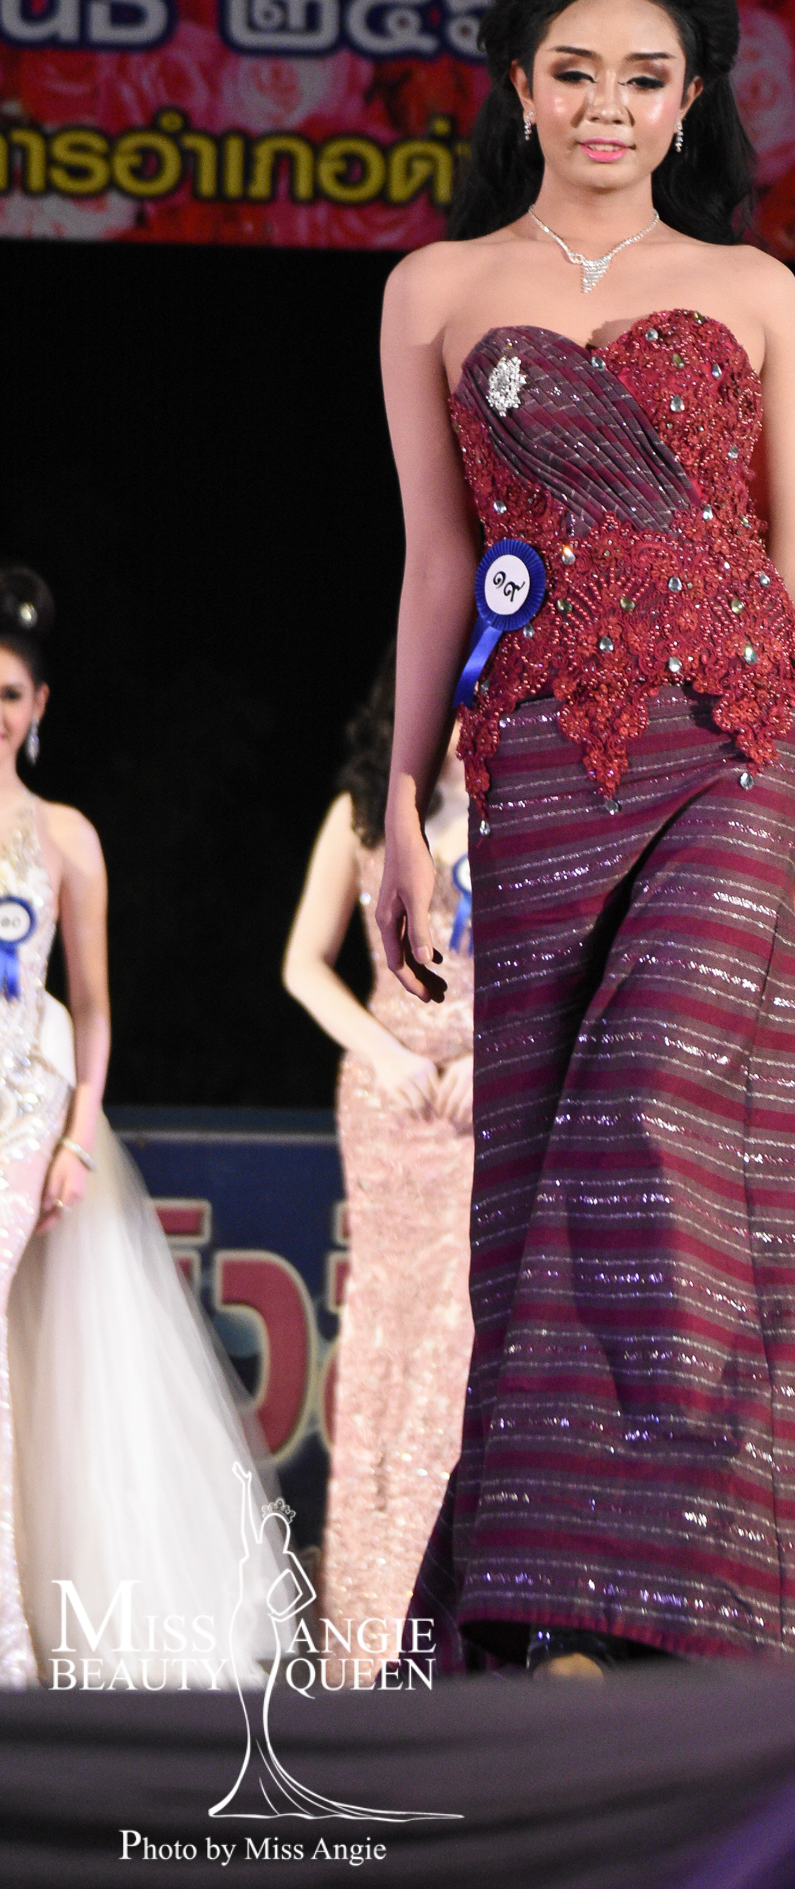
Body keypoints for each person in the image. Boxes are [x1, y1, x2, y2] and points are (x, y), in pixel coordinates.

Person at [376, 0, 795, 1674]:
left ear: (689, 104)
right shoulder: (434, 292)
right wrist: (399, 802)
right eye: (576, 72)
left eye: (644, 77)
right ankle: (562, 1596)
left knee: (655, 1119)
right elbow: (434, 569)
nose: (607, 105)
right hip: (535, 753)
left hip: (736, 739)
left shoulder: (755, 291)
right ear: (521, 86)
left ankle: (649, 1584)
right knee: (545, 1146)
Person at [0, 566, 284, 1689]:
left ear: (40, 707)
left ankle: (11, 1642)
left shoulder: (67, 839)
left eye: (12, 694)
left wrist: (77, 1136)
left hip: (22, 1115)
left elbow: (93, 1009)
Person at [283, 646, 475, 1685]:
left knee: (455, 1352)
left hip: (484, 1105)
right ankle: (365, 1633)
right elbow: (301, 964)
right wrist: (387, 1052)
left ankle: (439, 1628)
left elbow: (562, 969)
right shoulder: (362, 819)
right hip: (389, 1103)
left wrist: (492, 1058)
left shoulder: (519, 816)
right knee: (381, 1351)